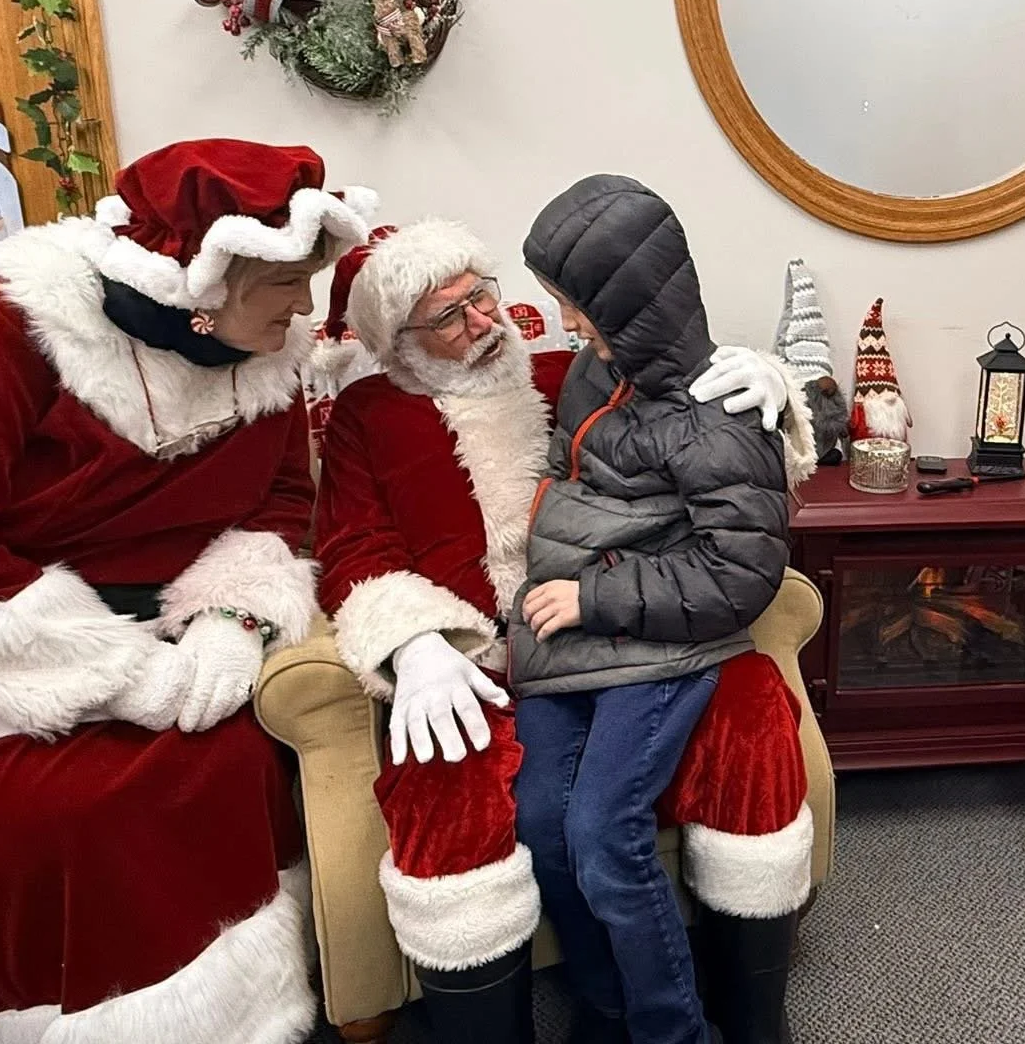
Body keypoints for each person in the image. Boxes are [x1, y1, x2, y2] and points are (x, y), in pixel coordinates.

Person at [0, 139, 375, 1044]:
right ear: (204, 291)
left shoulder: (269, 351)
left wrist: (233, 617)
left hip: (164, 610)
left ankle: (218, 1019)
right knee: (66, 811)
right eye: (287, 285)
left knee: (234, 762)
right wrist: (118, 677)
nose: (307, 309)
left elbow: (281, 500)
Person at [314, 214, 817, 1044]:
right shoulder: (368, 415)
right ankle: (578, 1011)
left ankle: (738, 1010)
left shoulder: (564, 369)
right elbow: (351, 547)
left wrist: (765, 382)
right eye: (449, 316)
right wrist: (414, 641)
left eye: (483, 296)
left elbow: (682, 409)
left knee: (740, 728)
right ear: (394, 340)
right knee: (476, 791)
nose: (485, 322)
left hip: (624, 623)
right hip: (483, 646)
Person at [511, 173, 793, 1044]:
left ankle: (675, 1031)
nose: (566, 324)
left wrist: (595, 594)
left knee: (602, 832)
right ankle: (605, 1010)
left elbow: (741, 576)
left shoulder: (719, 419)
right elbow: (568, 474)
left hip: (662, 642)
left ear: (627, 305)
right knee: (539, 826)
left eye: (575, 306)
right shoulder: (597, 375)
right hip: (567, 633)